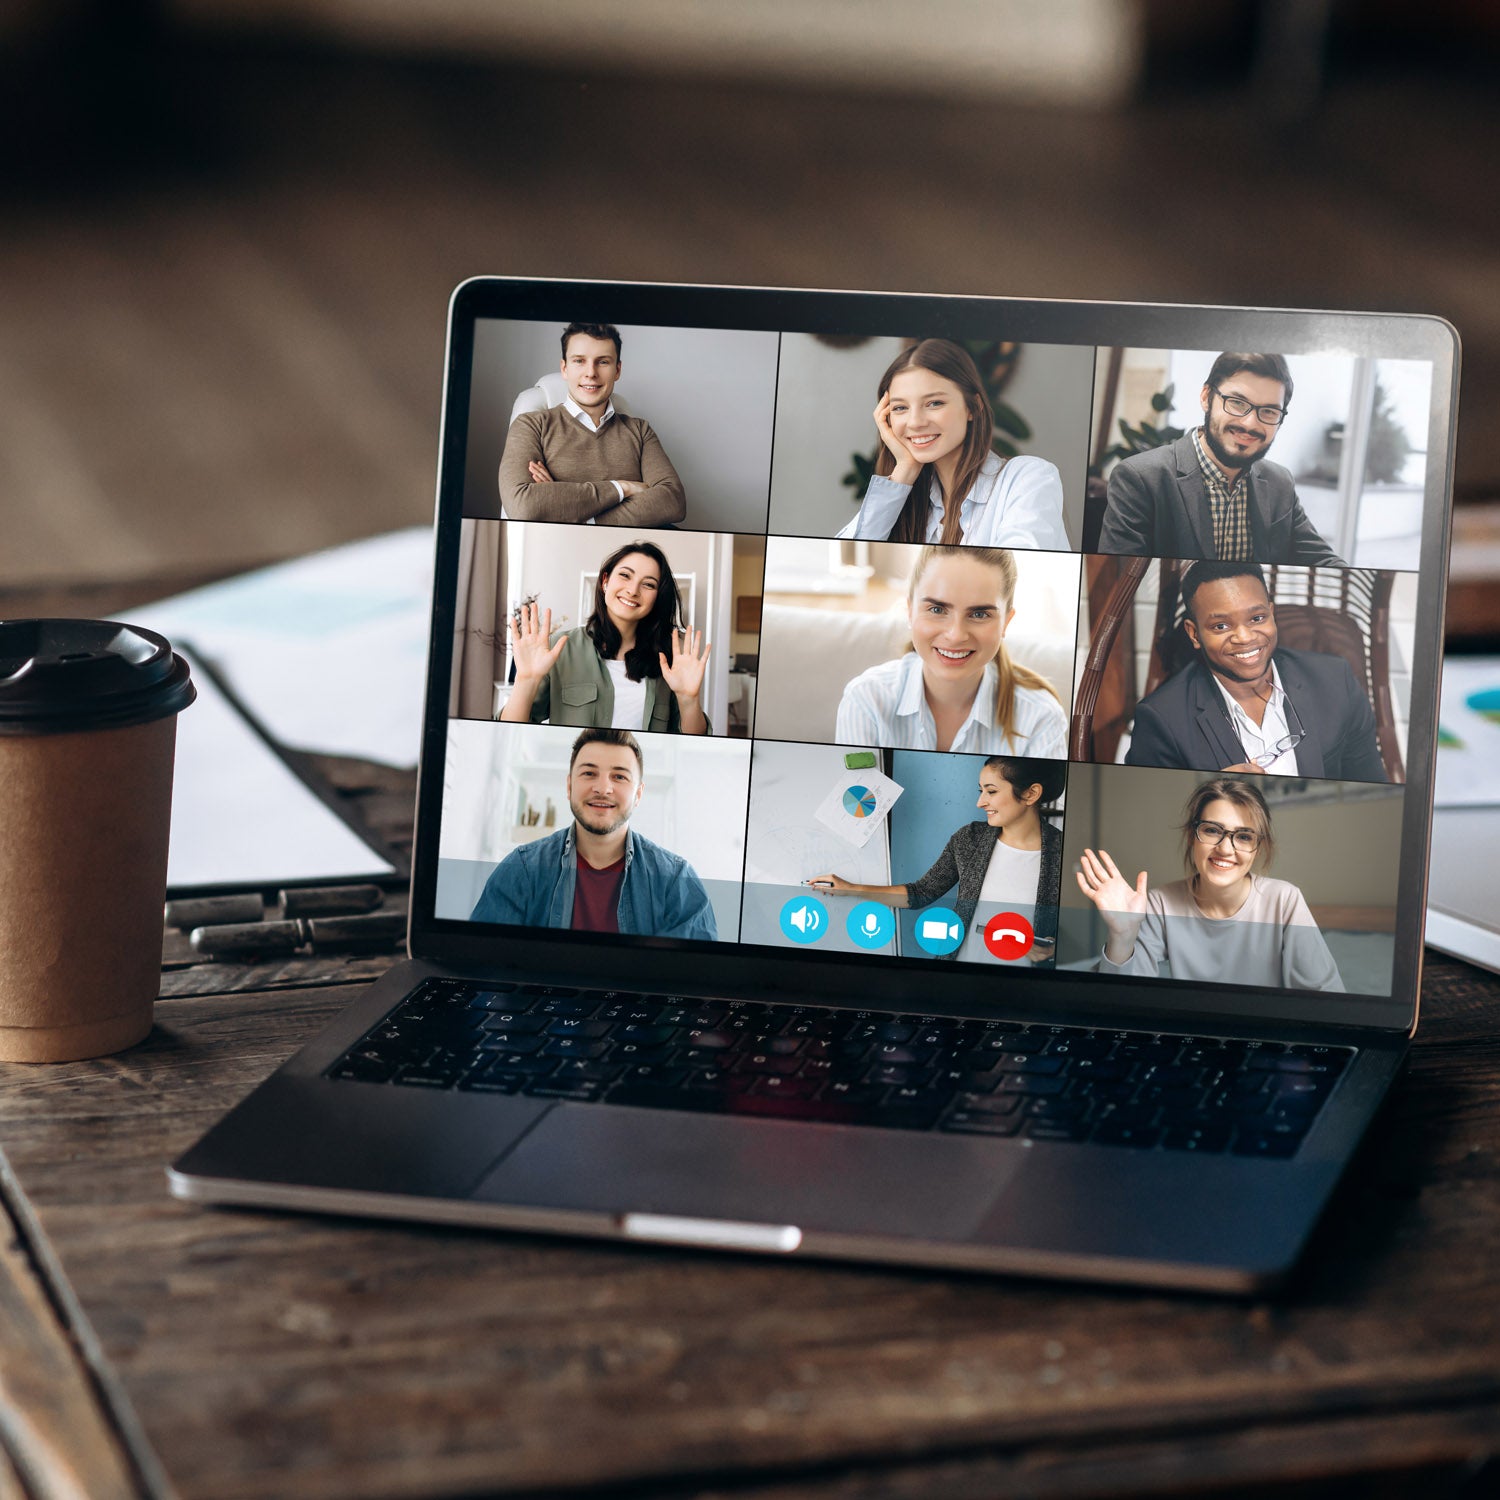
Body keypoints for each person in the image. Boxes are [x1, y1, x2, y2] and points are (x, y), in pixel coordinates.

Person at [1126, 561, 1388, 781]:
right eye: (1220, 626)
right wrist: (1212, 791)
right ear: (1194, 634)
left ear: (1271, 614)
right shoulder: (1161, 719)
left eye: (1257, 619)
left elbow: (1373, 786)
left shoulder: (1335, 681)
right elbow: (1146, 810)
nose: (1244, 637)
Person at [1074, 777, 1344, 991]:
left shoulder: (1284, 901)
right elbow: (1123, 999)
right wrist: (1123, 935)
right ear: (1192, 836)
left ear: (1258, 848)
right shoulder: (1161, 903)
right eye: (1212, 830)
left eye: (1244, 836)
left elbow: (1325, 996)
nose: (1225, 849)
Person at [808, 757, 1065, 963]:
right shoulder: (970, 838)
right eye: (981, 791)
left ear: (1031, 794)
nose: (980, 802)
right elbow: (921, 892)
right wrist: (851, 889)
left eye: (991, 791)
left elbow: (1082, 932)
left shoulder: (1064, 854)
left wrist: (1054, 948)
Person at [1098, 352, 1345, 565]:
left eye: (1269, 411)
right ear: (1206, 397)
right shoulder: (1140, 479)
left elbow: (1321, 559)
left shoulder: (1280, 482)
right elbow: (1120, 579)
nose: (1250, 423)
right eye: (1237, 403)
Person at [470, 729, 717, 939]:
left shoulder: (676, 880)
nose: (602, 788)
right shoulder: (521, 869)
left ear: (638, 794)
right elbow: (483, 963)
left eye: (619, 776)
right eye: (589, 773)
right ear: (569, 786)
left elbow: (694, 979)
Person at [836, 339, 1069, 549]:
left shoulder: (1028, 479)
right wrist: (903, 472)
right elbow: (848, 562)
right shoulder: (914, 500)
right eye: (900, 408)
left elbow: (1019, 577)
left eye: (935, 403)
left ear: (972, 407)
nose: (915, 422)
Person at [835, 545, 1067, 756]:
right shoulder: (866, 699)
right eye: (937, 609)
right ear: (910, 611)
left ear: (1006, 622)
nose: (956, 635)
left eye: (979, 614)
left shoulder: (1041, 717)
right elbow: (857, 800)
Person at [501, 540, 711, 734]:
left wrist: (688, 699)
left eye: (648, 584)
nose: (633, 590)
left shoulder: (669, 661)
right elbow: (511, 734)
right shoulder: (560, 648)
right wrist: (525, 681)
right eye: (625, 575)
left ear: (658, 597)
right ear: (605, 581)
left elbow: (693, 744)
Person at [498, 322, 686, 526]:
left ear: (617, 370)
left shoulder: (640, 431)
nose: (591, 373)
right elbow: (523, 506)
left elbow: (673, 501)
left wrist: (570, 510)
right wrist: (623, 488)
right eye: (579, 361)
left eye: (603, 362)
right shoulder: (531, 425)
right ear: (564, 368)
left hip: (631, 550)